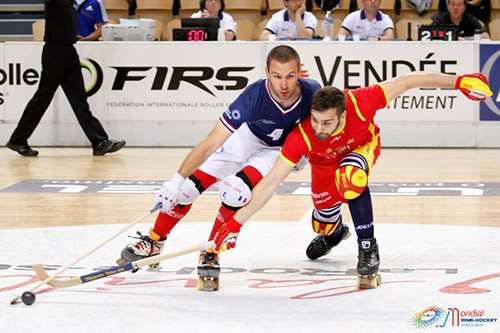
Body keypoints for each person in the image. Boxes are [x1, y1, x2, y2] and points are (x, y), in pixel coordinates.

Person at [211, 72, 492, 289]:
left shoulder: (362, 101)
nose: (319, 128)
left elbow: (410, 80)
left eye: (327, 123)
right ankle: (333, 233)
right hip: (323, 165)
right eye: (316, 121)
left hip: (360, 149)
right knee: (323, 220)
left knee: (351, 179)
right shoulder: (303, 135)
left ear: (342, 115)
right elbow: (271, 182)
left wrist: (458, 81)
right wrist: (236, 223)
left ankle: (367, 246)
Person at [118, 45, 321, 290]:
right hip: (250, 136)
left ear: (299, 72)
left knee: (236, 190)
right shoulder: (254, 96)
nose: (284, 85)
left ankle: (211, 250)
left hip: (278, 150)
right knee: (186, 190)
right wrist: (175, 181)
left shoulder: (313, 92)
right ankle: (154, 240)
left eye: (290, 75)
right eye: (277, 76)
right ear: (266, 72)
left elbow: (335, 117)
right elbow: (210, 142)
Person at [6, 0, 125, 157]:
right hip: (55, 52)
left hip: (69, 51)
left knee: (79, 100)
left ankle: (100, 142)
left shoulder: (71, 3)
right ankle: (18, 139)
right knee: (42, 99)